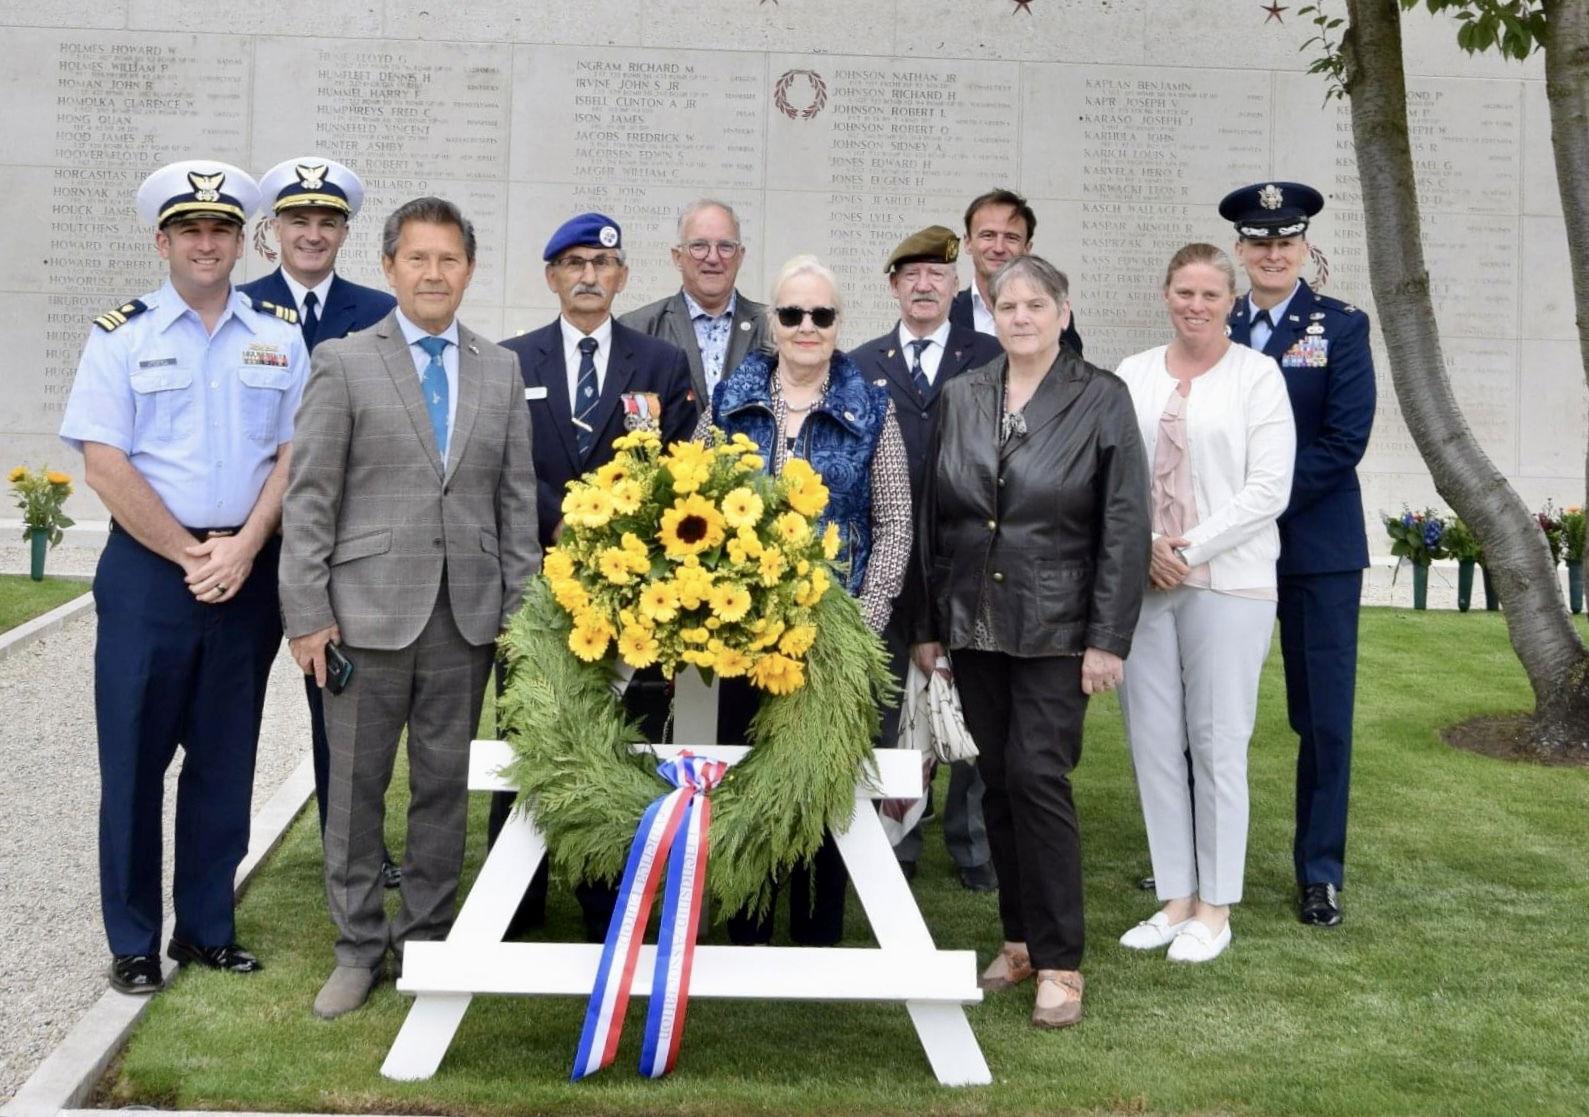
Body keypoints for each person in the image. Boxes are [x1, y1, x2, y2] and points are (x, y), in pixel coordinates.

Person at [280, 196, 539, 1019]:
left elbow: (515, 504)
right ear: (390, 267)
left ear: (469, 270)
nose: (434, 273)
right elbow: (311, 497)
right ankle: (357, 945)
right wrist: (306, 613)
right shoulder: (344, 361)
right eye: (418, 259)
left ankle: (426, 936)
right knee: (356, 789)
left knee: (441, 788)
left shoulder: (498, 370)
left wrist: (521, 617)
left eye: (449, 259)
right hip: (362, 617)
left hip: (465, 618)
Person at [59, 160, 309, 995]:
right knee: (133, 759)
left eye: (223, 230)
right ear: (164, 241)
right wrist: (189, 551)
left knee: (224, 759)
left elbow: (291, 454)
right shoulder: (119, 334)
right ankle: (133, 938)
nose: (207, 244)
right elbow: (104, 463)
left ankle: (205, 928)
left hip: (244, 570)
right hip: (149, 574)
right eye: (191, 231)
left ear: (242, 242)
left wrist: (243, 546)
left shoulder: (278, 331)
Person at [910, 254, 1149, 1028]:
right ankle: (1017, 942)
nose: (1019, 317)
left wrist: (1106, 639)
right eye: (1005, 304)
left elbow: (1123, 526)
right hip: (974, 625)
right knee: (999, 785)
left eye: (1034, 305)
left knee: (1039, 777)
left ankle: (1062, 961)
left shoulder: (1101, 398)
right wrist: (927, 625)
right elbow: (932, 516)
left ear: (1062, 311)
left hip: (1057, 627)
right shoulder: (960, 395)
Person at [698, 254, 912, 945]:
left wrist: (864, 622)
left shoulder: (872, 406)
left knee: (821, 787)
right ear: (771, 322)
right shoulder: (729, 396)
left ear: (837, 322)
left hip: (830, 637)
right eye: (792, 314)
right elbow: (691, 495)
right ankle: (747, 932)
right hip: (738, 637)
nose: (806, 327)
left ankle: (817, 934)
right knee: (744, 777)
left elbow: (895, 522)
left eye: (821, 314)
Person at [497, 212, 697, 940]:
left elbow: (676, 474)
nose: (589, 275)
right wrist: (563, 519)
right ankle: (513, 912)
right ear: (551, 276)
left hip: (629, 598)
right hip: (535, 584)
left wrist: (605, 533)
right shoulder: (511, 361)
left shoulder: (661, 365)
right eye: (574, 263)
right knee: (527, 733)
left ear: (623, 277)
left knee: (623, 742)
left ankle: (611, 904)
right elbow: (501, 465)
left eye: (603, 264)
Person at [1113, 243, 1296, 963]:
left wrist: (1184, 549)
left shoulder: (1258, 377)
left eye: (1209, 295)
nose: (1195, 305)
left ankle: (1215, 906)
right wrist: (1149, 544)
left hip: (1229, 582)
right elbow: (1112, 474)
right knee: (1153, 742)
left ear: (1230, 301)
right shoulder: (1132, 374)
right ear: (1166, 295)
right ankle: (1174, 899)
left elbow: (1267, 489)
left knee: (1218, 741)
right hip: (1145, 582)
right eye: (1183, 292)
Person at [238, 156, 402, 889]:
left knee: (348, 716)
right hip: (251, 544)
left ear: (344, 232)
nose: (311, 233)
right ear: (272, 231)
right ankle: (220, 861)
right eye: (297, 220)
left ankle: (359, 852)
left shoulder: (378, 314)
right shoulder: (235, 307)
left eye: (326, 222)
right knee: (228, 714)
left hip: (344, 555)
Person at [1220, 182, 1376, 928]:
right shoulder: (1213, 320)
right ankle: (1197, 859)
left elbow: (1342, 441)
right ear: (1240, 251)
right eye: (1258, 242)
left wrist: (1254, 504)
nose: (1272, 253)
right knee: (1212, 709)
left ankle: (1319, 871)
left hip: (1315, 547)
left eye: (1286, 242)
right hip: (1226, 552)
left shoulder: (1339, 326)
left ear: (1305, 249)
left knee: (1321, 718)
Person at [850, 225, 1002, 891]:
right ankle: (897, 836)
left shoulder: (990, 355)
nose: (922, 285)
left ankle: (970, 843)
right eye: (909, 274)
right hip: (886, 562)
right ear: (891, 285)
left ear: (954, 286)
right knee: (887, 710)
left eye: (935, 275)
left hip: (967, 564)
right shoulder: (860, 363)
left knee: (970, 712)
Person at [618, 198, 769, 404]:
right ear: (677, 257)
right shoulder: (637, 329)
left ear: (740, 256)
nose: (713, 258)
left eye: (725, 246)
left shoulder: (773, 327)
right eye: (699, 246)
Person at [949, 189, 1083, 355]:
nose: (999, 248)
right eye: (988, 235)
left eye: (1011, 238)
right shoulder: (947, 313)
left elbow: (1074, 377)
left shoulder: (1053, 314)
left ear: (1027, 248)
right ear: (968, 242)